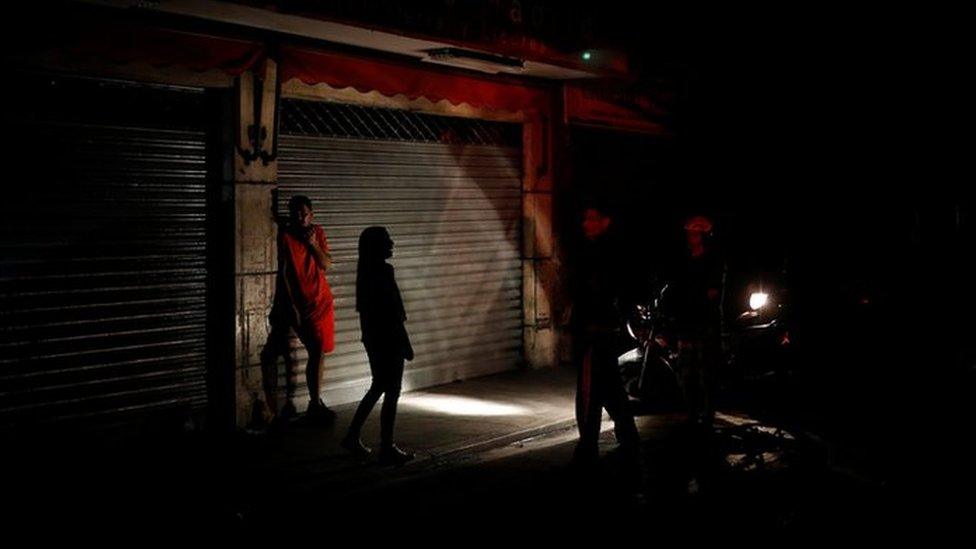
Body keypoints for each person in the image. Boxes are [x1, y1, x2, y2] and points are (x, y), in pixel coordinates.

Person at [570, 203, 640, 465]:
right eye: (585, 218)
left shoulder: (603, 253)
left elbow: (598, 292)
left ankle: (588, 444)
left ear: (605, 221)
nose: (586, 224)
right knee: (609, 387)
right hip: (602, 328)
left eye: (592, 218)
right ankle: (627, 434)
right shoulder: (598, 250)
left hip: (596, 330)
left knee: (590, 391)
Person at [259, 195, 336, 426]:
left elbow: (326, 264)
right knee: (279, 352)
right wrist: (291, 306)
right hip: (298, 305)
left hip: (320, 301)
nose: (301, 217)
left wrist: (312, 243)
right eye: (296, 213)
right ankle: (295, 405)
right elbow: (283, 274)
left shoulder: (317, 232)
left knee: (318, 351)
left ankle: (314, 402)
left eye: (304, 213)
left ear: (311, 214)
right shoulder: (286, 236)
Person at [341, 227, 415, 465]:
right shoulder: (383, 271)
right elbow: (393, 312)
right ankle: (386, 446)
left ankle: (354, 436)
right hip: (389, 339)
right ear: (377, 246)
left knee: (379, 387)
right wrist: (404, 343)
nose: (392, 244)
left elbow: (371, 313)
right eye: (387, 241)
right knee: (391, 391)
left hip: (374, 339)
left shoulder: (364, 273)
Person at [666, 214, 725, 426]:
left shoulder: (712, 261)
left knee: (706, 371)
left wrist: (693, 297)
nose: (691, 237)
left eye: (695, 234)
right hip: (686, 323)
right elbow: (675, 287)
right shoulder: (683, 261)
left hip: (705, 323)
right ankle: (691, 410)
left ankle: (708, 411)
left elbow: (712, 293)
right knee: (686, 370)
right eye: (689, 233)